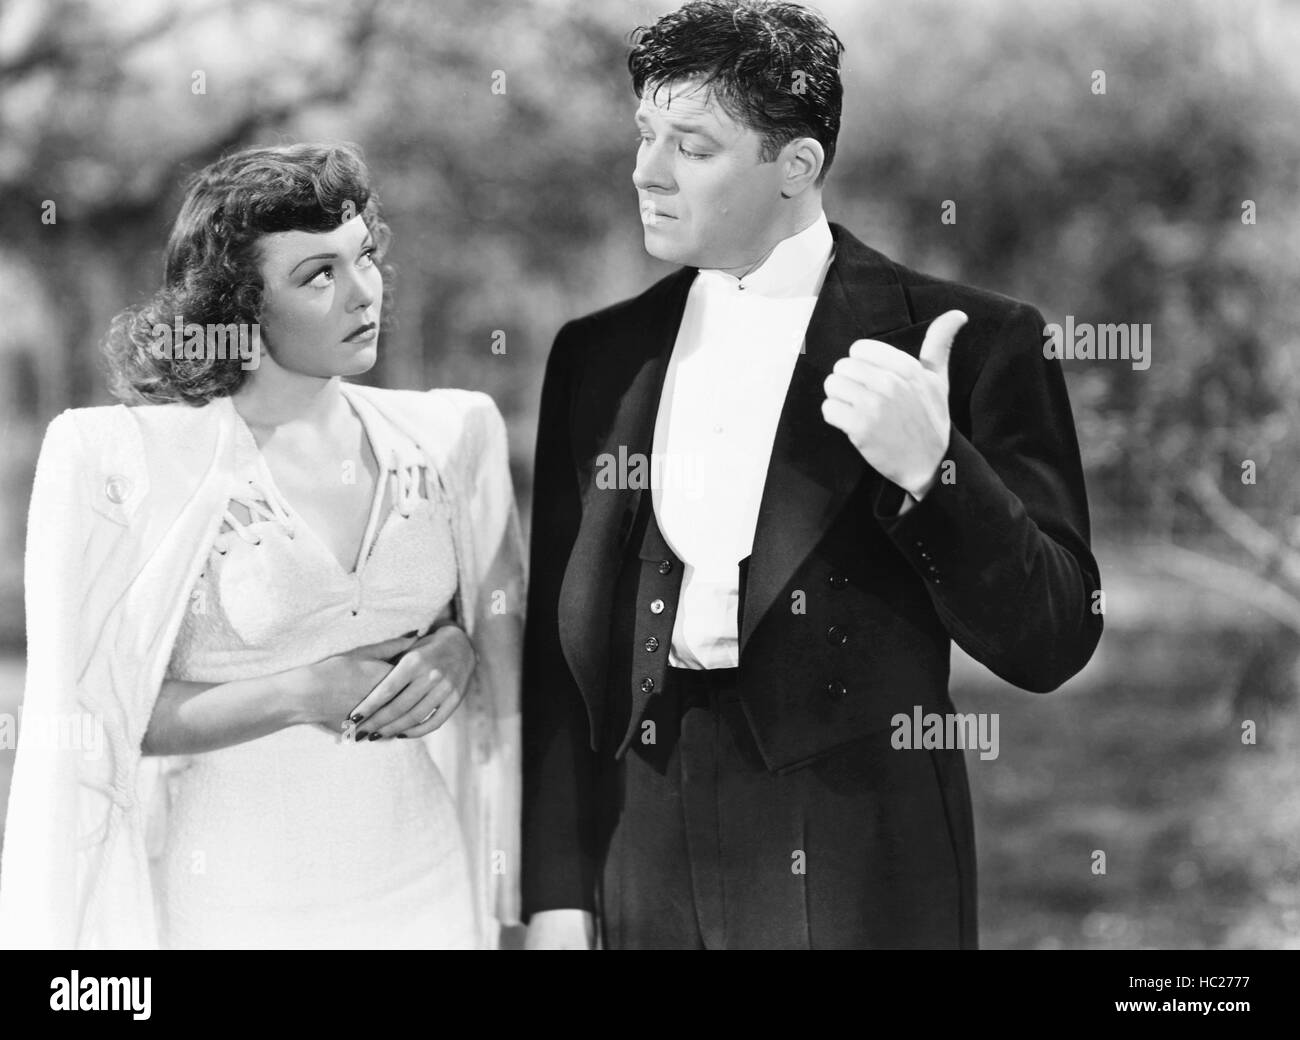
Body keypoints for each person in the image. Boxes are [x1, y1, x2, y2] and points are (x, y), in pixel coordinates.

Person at [522, 0, 1103, 949]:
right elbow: (556, 657)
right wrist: (558, 891)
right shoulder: (595, 356)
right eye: (644, 135)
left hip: (855, 852)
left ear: (796, 166)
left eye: (693, 147)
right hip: (640, 844)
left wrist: (935, 469)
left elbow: (1056, 638)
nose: (646, 172)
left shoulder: (972, 340)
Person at [0, 143, 524, 949]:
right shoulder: (128, 463)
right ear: (238, 309)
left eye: (366, 258)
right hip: (234, 906)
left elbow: (511, 662)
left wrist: (456, 648)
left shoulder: (453, 434)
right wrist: (301, 692)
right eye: (318, 276)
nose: (363, 293)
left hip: (425, 882)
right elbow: (88, 716)